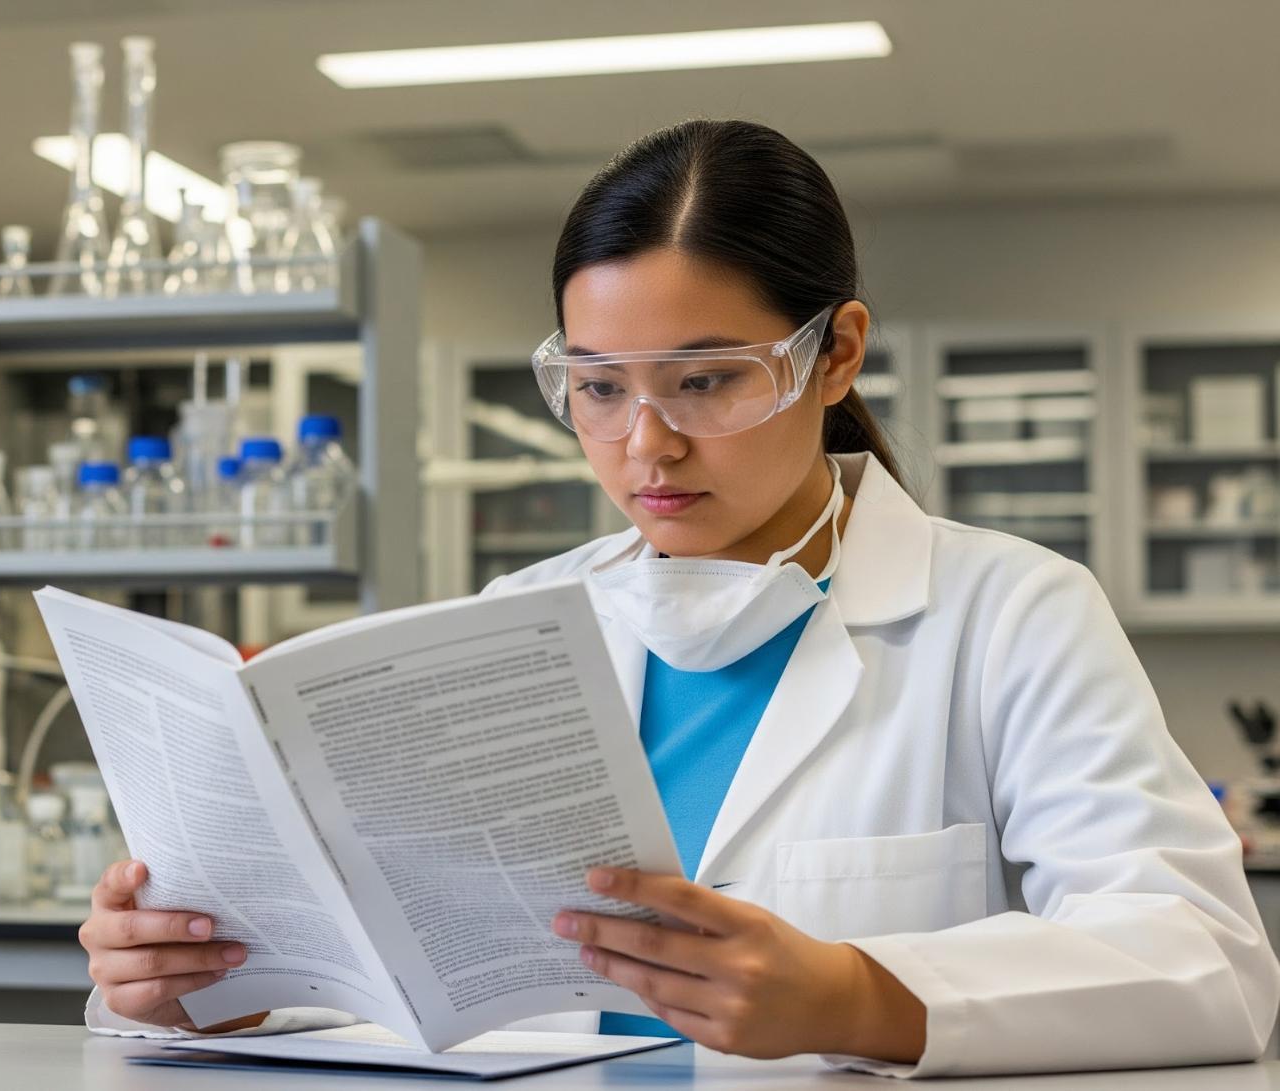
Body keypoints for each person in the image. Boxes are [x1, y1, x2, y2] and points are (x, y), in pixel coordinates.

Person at [73, 119, 1280, 1076]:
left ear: (836, 353)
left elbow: (1208, 963)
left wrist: (861, 994)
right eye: (597, 387)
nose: (645, 446)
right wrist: (204, 988)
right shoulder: (521, 618)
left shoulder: (1008, 612)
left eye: (705, 379)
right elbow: (427, 982)